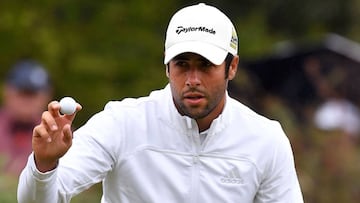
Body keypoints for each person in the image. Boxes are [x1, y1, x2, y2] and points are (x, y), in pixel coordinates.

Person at [17, 3, 303, 203]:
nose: (192, 78)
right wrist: (44, 165)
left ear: (232, 67)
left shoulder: (266, 139)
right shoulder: (122, 123)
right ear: (167, 67)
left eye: (205, 66)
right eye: (182, 64)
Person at [0, 60, 52, 176]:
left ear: (46, 96)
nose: (27, 101)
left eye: (33, 94)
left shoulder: (58, 134)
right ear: (7, 91)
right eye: (22, 93)